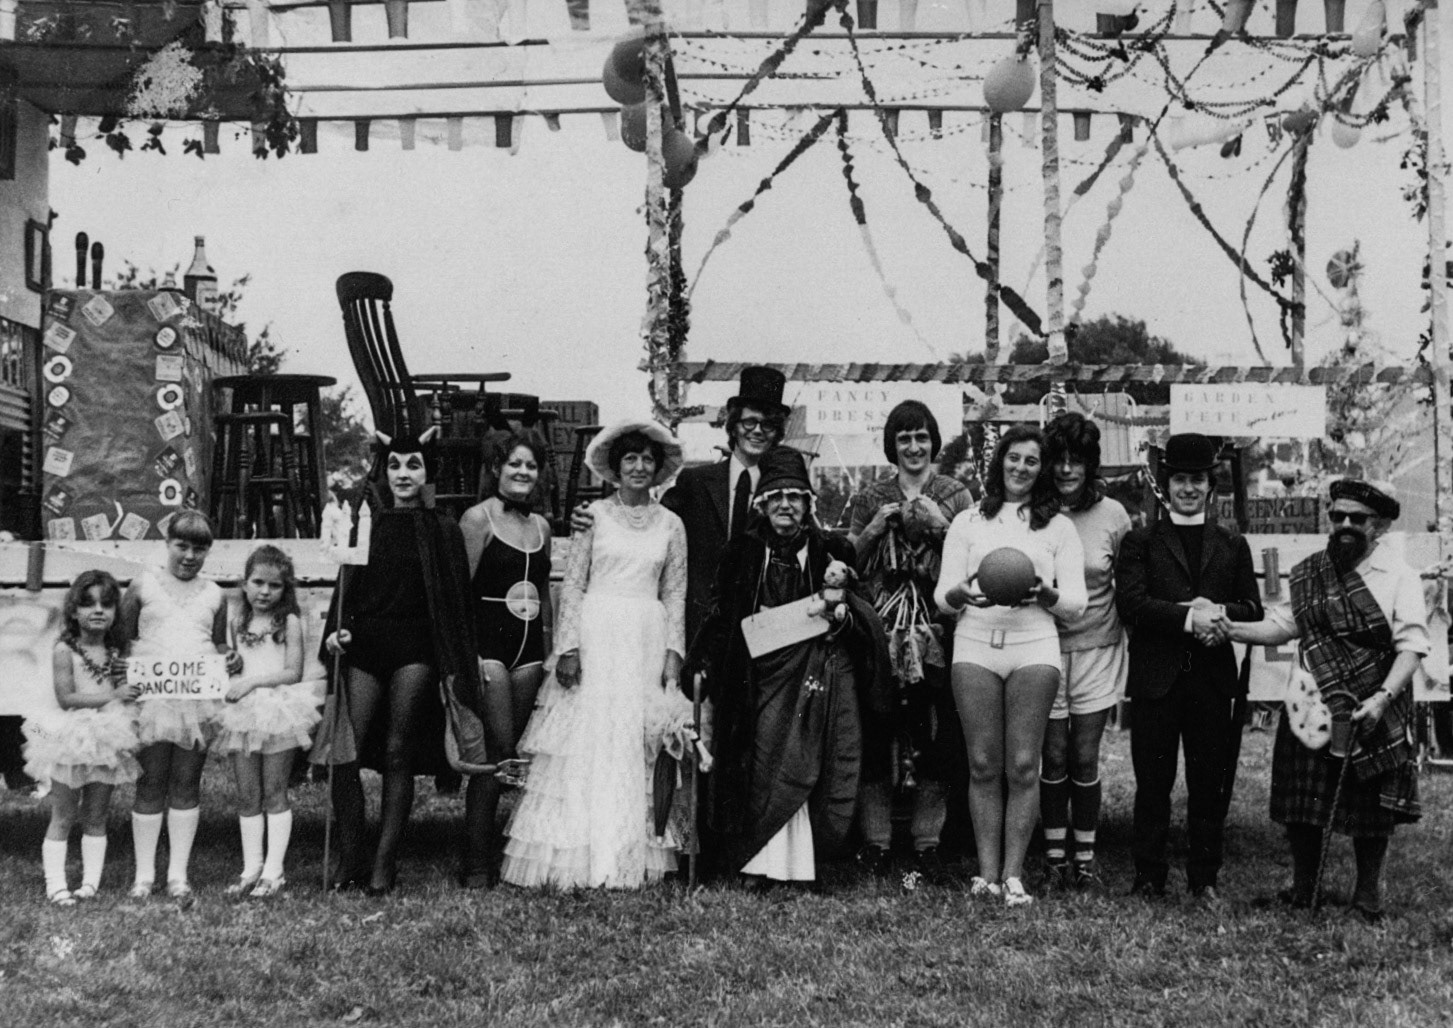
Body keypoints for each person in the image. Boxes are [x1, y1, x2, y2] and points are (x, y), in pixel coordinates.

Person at [1221, 479, 1428, 920]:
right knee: (1303, 802)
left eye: (1358, 519)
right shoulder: (1311, 571)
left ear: (1381, 526)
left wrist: (1383, 699)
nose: (1346, 525)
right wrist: (1228, 627)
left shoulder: (1400, 576)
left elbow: (1411, 646)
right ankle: (1303, 888)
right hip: (1311, 704)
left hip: (1371, 701)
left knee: (1371, 806)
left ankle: (1367, 898)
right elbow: (1281, 625)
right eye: (1338, 517)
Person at [687, 446, 891, 888]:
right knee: (760, 766)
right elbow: (722, 617)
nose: (785, 505)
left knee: (802, 763)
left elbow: (858, 613)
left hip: (812, 682)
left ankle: (798, 865)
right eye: (776, 496)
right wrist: (704, 661)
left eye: (795, 497)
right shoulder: (741, 552)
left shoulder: (829, 551)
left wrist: (842, 619)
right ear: (762, 502)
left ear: (808, 504)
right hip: (755, 682)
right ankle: (755, 863)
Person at [502, 419, 693, 888]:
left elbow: (675, 594)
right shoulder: (594, 517)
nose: (639, 467)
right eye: (630, 458)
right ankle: (581, 855)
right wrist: (568, 647)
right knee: (591, 737)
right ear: (614, 466)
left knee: (634, 739)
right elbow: (575, 583)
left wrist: (673, 655)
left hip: (644, 639)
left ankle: (630, 853)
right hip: (597, 634)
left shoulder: (672, 524)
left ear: (658, 467)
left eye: (647, 459)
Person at [314, 426, 484, 895]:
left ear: (427, 472)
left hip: (416, 651)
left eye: (413, 464)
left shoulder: (442, 529)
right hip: (367, 644)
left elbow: (453, 606)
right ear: (383, 472)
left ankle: (385, 862)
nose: (404, 473)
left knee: (397, 749)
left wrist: (452, 663)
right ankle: (352, 853)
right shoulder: (367, 523)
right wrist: (338, 633)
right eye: (395, 464)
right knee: (343, 751)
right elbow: (345, 594)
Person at [934, 425, 1087, 907]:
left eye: (1031, 461)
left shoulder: (1057, 527)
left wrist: (1047, 594)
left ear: (1042, 471)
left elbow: (1077, 605)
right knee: (982, 763)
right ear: (999, 461)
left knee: (1023, 765)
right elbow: (943, 596)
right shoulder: (969, 521)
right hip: (976, 642)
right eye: (1014, 458)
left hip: (1033, 645)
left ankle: (1014, 876)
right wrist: (959, 594)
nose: (1021, 468)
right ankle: (986, 875)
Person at [1115, 432, 1262, 903]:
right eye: (1180, 479)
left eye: (1197, 480)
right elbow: (1133, 604)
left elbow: (1252, 609)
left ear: (1210, 485)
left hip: (1212, 680)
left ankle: (1204, 878)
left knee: (1207, 786)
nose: (1189, 489)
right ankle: (1149, 877)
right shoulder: (1141, 541)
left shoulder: (1232, 544)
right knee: (1152, 785)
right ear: (1166, 484)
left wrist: (1218, 613)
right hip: (1158, 680)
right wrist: (1188, 617)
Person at [847, 400, 972, 877]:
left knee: (936, 735)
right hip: (882, 631)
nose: (914, 447)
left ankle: (927, 840)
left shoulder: (957, 495)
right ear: (892, 446)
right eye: (904, 438)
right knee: (877, 730)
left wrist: (940, 529)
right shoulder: (869, 497)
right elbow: (847, 564)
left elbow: (975, 559)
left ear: (933, 442)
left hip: (939, 628)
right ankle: (877, 841)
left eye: (922, 437)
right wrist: (877, 529)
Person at [122, 509, 238, 901]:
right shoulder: (143, 585)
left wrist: (230, 657)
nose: (189, 556)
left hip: (196, 702)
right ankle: (143, 875)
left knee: (187, 781)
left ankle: (177, 874)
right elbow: (123, 642)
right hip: (153, 699)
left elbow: (219, 644)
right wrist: (126, 674)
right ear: (167, 543)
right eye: (182, 546)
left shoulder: (215, 594)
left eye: (199, 549)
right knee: (151, 780)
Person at [1039, 413, 1132, 889]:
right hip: (1044, 647)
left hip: (1098, 647)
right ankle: (1054, 858)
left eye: (1077, 461)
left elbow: (1129, 584)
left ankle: (1086, 859)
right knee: (1052, 756)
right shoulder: (1034, 512)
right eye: (1059, 459)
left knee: (1084, 756)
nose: (1067, 470)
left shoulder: (1114, 515)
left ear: (1092, 465)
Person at [459, 433, 554, 888]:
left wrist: (552, 652)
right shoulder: (478, 519)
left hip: (529, 649)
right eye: (514, 464)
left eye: (531, 466)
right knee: (495, 755)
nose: (522, 472)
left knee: (517, 753)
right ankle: (476, 861)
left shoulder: (542, 527)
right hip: (489, 649)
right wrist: (469, 655)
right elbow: (459, 594)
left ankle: (510, 852)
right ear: (497, 469)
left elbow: (546, 598)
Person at [23, 570, 140, 903]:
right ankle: (56, 883)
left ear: (116, 611)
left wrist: (127, 686)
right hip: (69, 737)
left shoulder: (117, 652)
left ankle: (90, 882)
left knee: (97, 814)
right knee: (63, 813)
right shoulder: (65, 650)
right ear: (73, 611)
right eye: (88, 604)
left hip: (107, 736)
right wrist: (115, 695)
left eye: (106, 604)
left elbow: (128, 687)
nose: (98, 611)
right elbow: (67, 698)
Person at [213, 545, 319, 898]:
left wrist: (251, 683)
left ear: (284, 589)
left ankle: (274, 872)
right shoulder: (236, 621)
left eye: (274, 586)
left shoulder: (288, 621)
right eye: (257, 582)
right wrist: (229, 663)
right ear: (244, 584)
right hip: (243, 713)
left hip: (277, 709)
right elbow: (236, 662)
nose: (264, 592)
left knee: (275, 791)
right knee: (247, 794)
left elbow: (292, 671)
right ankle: (251, 868)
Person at [662, 365, 791, 647]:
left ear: (777, 433)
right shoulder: (695, 482)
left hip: (761, 633)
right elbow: (655, 526)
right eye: (749, 422)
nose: (758, 431)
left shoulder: (785, 494)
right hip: (701, 630)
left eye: (768, 425)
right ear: (733, 425)